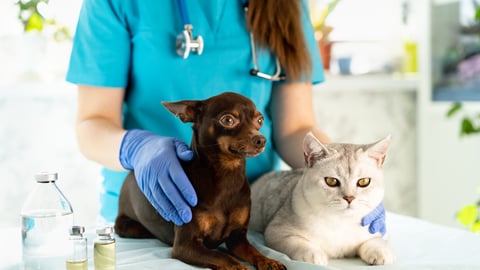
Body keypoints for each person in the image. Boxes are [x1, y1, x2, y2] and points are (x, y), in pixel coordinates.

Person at [66, 0, 386, 234]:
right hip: (145, 217)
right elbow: (92, 123)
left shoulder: (286, 6)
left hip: (246, 217)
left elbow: (296, 127)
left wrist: (341, 172)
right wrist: (135, 148)